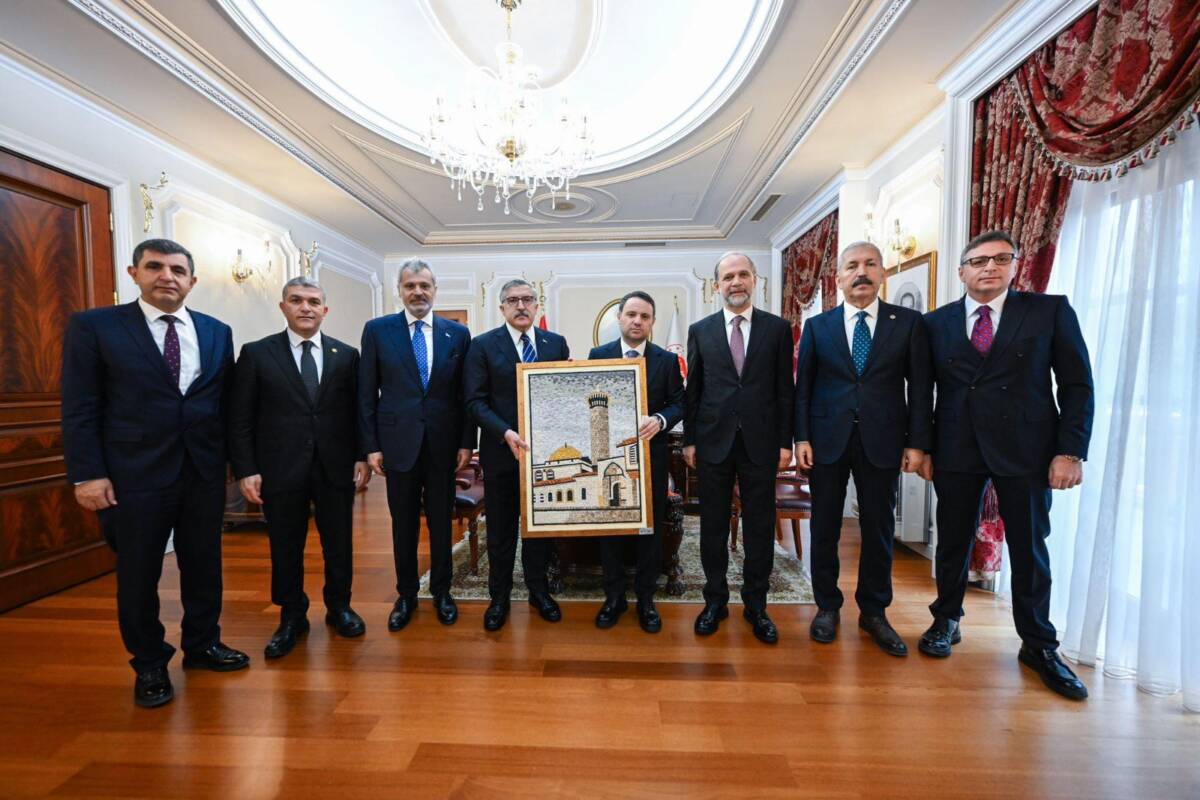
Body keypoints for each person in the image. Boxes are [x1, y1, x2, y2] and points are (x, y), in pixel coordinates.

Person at [61, 238, 249, 708]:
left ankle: (203, 644)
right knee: (139, 573)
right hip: (133, 475)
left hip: (203, 472)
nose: (167, 276)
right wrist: (87, 474)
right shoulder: (96, 327)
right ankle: (148, 663)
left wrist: (233, 465)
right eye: (155, 267)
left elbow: (221, 403)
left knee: (204, 566)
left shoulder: (215, 330)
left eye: (177, 269)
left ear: (192, 280)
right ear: (134, 273)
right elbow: (81, 407)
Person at [918, 230, 1094, 700]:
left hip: (1028, 449)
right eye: (977, 261)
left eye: (1000, 259)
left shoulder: (1048, 311)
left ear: (1015, 265)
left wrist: (1069, 451)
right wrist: (922, 447)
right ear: (962, 272)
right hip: (957, 447)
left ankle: (1038, 644)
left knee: (1030, 548)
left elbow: (1076, 385)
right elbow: (922, 394)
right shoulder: (935, 324)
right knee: (951, 539)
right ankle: (946, 619)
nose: (988, 268)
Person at [794, 241, 932, 655]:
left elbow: (921, 388)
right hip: (826, 441)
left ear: (882, 273)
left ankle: (874, 612)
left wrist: (918, 443)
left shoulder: (907, 323)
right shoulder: (819, 326)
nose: (861, 272)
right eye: (852, 266)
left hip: (884, 441)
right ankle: (827, 606)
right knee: (824, 528)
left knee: (878, 529)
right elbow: (804, 389)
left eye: (870, 264)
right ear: (838, 278)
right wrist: (801, 437)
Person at [228, 277, 370, 659]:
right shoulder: (257, 354)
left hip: (335, 467)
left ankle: (339, 606)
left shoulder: (347, 355)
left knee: (338, 543)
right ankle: (292, 614)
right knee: (285, 546)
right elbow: (240, 417)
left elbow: (357, 412)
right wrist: (246, 468)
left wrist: (361, 455)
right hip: (279, 468)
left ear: (325, 310)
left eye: (313, 301)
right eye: (297, 300)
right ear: (283, 307)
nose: (305, 307)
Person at [683, 252, 794, 644]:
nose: (735, 282)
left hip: (762, 444)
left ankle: (756, 605)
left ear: (754, 280)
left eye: (742, 274)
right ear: (717, 286)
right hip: (713, 442)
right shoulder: (701, 330)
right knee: (712, 526)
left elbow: (785, 390)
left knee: (760, 527)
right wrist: (691, 439)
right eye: (728, 276)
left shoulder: (778, 329)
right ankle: (714, 601)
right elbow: (693, 389)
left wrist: (786, 442)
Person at [359, 259, 474, 630]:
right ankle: (406, 594)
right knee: (403, 523)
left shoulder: (456, 335)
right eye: (410, 286)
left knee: (441, 522)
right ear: (400, 290)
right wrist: (371, 446)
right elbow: (366, 393)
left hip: (443, 445)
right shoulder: (378, 331)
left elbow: (463, 395)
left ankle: (442, 590)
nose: (418, 292)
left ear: (435, 289)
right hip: (397, 443)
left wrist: (465, 443)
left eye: (424, 285)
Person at [464, 279, 569, 631]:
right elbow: (475, 401)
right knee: (501, 529)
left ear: (536, 305)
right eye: (513, 300)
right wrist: (506, 432)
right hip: (500, 451)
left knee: (539, 529)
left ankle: (539, 591)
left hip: (546, 456)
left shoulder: (555, 344)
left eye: (527, 299)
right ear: (502, 307)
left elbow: (563, 395)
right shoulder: (482, 346)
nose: (521, 305)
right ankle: (500, 597)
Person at [589, 291, 685, 633]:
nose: (637, 321)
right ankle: (613, 597)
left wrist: (660, 419)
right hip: (609, 458)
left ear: (652, 322)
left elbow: (679, 403)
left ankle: (646, 599)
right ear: (619, 317)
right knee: (612, 528)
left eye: (644, 316)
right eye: (631, 314)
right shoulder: (598, 356)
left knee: (650, 530)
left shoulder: (666, 360)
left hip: (651, 459)